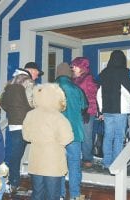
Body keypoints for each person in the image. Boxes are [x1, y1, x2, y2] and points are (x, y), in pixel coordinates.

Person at [22, 83, 73, 200]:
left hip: (36, 162)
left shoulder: (30, 115)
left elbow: (26, 136)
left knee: (37, 194)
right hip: (53, 164)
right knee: (52, 195)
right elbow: (67, 138)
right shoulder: (58, 117)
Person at [0, 61, 43, 193]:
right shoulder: (28, 82)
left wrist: (13, 112)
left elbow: (3, 103)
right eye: (36, 73)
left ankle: (13, 181)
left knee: (16, 153)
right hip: (26, 122)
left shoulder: (10, 82)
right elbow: (33, 102)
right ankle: (16, 183)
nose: (36, 76)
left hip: (13, 123)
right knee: (32, 151)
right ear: (31, 70)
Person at [55, 63, 88, 200]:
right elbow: (84, 106)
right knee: (74, 164)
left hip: (56, 134)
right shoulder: (76, 88)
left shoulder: (50, 89)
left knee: (58, 164)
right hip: (74, 132)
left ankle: (60, 194)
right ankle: (75, 195)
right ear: (69, 74)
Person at [97, 50, 130, 169]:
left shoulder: (104, 73)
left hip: (107, 110)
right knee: (119, 136)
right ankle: (116, 163)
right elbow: (128, 92)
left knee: (108, 136)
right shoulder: (125, 72)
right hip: (120, 110)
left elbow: (99, 93)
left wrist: (101, 110)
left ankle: (106, 162)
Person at [71, 57, 98, 168]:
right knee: (76, 135)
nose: (73, 68)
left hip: (87, 112)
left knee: (86, 136)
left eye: (75, 66)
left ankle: (87, 158)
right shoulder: (74, 79)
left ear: (81, 67)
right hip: (77, 112)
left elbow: (93, 96)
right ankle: (77, 157)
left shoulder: (88, 79)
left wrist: (88, 110)